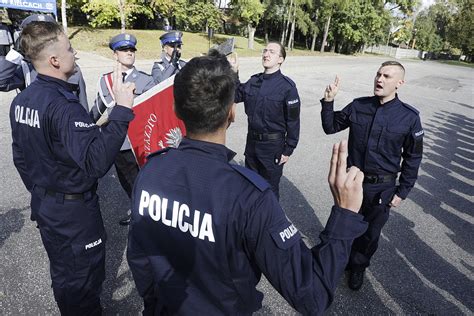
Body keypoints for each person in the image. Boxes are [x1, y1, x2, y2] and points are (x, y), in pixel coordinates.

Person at [127, 51, 368, 315]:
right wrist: (344, 216)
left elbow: (139, 257)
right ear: (232, 112)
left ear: (176, 109)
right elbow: (312, 296)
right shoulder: (251, 197)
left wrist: (154, 306)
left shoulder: (150, 171)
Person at [9, 21, 135, 314]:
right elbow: (96, 163)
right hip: (73, 215)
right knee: (83, 281)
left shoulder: (23, 100)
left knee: (64, 274)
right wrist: (122, 110)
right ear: (54, 60)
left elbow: (20, 158)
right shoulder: (64, 106)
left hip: (46, 205)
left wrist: (43, 191)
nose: (75, 52)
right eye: (69, 48)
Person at [320, 61, 424, 291]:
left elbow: (413, 158)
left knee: (369, 235)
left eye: (387, 76)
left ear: (399, 83)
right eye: (378, 74)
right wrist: (328, 101)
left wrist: (402, 191)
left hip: (382, 188)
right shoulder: (359, 106)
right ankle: (331, 262)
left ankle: (357, 267)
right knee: (340, 224)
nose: (380, 79)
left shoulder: (408, 118)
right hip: (353, 182)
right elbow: (330, 127)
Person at [91, 33, 155, 226]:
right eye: (124, 50)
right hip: (118, 141)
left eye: (131, 50)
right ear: (115, 54)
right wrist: (86, 126)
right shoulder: (106, 80)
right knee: (126, 182)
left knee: (144, 182)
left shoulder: (146, 80)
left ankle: (149, 219)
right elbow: (98, 108)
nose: (129, 53)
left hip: (140, 140)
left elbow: (152, 112)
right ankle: (137, 211)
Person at [234, 41, 300, 200]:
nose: (266, 54)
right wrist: (234, 73)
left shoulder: (287, 87)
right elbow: (235, 95)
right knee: (250, 187)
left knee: (269, 192)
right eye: (265, 51)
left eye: (272, 51)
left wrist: (288, 148)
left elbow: (293, 121)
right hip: (252, 145)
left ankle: (270, 223)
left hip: (272, 148)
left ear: (280, 59)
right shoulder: (253, 81)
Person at [0, 14, 89, 111]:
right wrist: (17, 52)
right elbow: (2, 82)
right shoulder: (26, 69)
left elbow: (82, 104)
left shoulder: (72, 68)